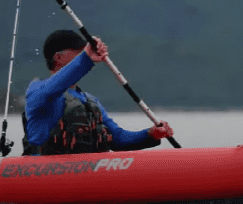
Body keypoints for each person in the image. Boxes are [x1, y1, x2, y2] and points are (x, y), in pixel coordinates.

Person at [22, 29, 174, 155]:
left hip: (86, 179)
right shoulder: (37, 91)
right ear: (58, 57)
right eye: (78, 52)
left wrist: (151, 134)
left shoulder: (89, 101)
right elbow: (52, 89)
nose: (84, 54)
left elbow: (117, 139)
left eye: (84, 51)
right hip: (47, 177)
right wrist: (86, 59)